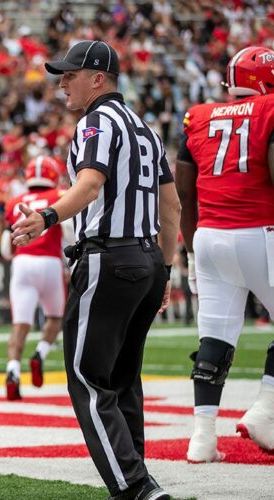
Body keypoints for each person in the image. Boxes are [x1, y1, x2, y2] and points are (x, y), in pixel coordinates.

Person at [12, 40, 181, 500]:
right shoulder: (147, 130)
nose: (62, 82)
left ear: (98, 78)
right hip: (146, 260)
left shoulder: (97, 122)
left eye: (71, 74)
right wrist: (164, 270)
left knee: (88, 378)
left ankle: (133, 487)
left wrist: (47, 216)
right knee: (124, 380)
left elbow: (89, 185)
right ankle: (139, 477)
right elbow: (172, 207)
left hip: (110, 257)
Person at [175, 46, 274, 461]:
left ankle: (202, 438)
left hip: (209, 236)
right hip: (260, 233)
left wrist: (193, 252)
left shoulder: (198, 116)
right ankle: (266, 411)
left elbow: (183, 190)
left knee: (214, 337)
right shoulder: (268, 109)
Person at [0, 156, 72, 400]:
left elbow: (5, 246)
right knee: (55, 317)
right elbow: (70, 232)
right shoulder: (60, 194)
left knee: (20, 325)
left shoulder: (15, 202)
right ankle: (40, 352)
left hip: (23, 262)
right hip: (50, 262)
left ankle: (13, 371)